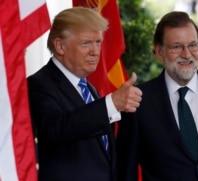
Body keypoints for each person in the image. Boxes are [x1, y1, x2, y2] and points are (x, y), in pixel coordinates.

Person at [116, 11, 198, 181]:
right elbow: (126, 172)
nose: (186, 54)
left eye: (193, 45)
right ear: (158, 52)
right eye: (176, 47)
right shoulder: (138, 102)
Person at [27, 7, 142, 181]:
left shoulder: (90, 89)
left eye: (98, 42)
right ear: (60, 46)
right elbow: (58, 129)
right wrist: (111, 104)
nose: (95, 51)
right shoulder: (39, 84)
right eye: (86, 43)